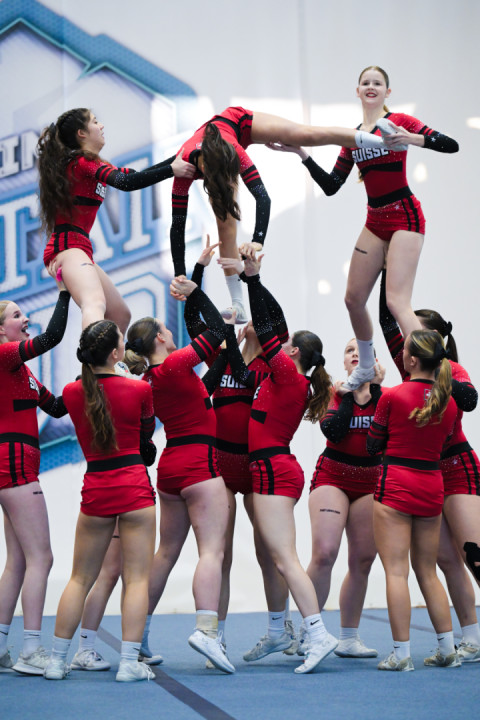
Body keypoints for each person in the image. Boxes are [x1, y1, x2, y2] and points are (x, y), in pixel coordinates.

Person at [267, 66, 459, 391]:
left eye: (377, 83)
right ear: (357, 91)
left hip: (405, 216)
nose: (371, 87)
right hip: (375, 220)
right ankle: (366, 365)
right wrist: (301, 154)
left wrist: (409, 138)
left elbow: (450, 144)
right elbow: (331, 185)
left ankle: (434, 373)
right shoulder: (352, 137)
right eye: (365, 83)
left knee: (397, 302)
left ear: (387, 92)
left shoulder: (399, 122)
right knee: (353, 299)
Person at [219, 253, 337, 674]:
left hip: (272, 470)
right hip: (269, 468)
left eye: (286, 346)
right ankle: (278, 631)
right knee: (270, 553)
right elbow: (266, 332)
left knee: (285, 558)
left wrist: (253, 280)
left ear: (294, 352)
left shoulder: (288, 375)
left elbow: (271, 328)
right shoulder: (279, 377)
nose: (279, 346)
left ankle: (317, 633)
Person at [170, 105, 395, 322]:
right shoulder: (182, 165)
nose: (231, 181)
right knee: (225, 226)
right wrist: (179, 273)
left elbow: (262, 197)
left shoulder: (235, 150)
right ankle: (238, 305)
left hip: (237, 124)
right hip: (211, 153)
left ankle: (381, 140)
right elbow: (177, 224)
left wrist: (258, 241)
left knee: (304, 134)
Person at [184, 243, 297, 666]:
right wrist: (196, 276)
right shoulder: (220, 359)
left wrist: (253, 279)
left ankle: (278, 629)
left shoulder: (271, 365)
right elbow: (194, 320)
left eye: (253, 321)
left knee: (269, 552)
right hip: (220, 465)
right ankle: (216, 638)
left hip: (256, 465)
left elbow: (275, 320)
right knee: (221, 554)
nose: (248, 323)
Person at [123, 277, 235, 674]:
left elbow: (203, 386)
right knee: (212, 552)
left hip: (171, 468)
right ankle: (206, 630)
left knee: (166, 553)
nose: (172, 333)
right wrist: (196, 294)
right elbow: (217, 330)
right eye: (166, 330)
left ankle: (138, 636)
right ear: (158, 338)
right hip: (199, 463)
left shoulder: (152, 379)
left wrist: (222, 353)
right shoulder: (172, 364)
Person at [43, 320, 157, 682]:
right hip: (134, 487)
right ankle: (129, 663)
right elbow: (146, 438)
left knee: (79, 579)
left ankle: (56, 661)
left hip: (97, 488)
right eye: (120, 341)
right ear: (115, 353)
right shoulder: (139, 389)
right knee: (136, 580)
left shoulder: (72, 392)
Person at [379, 270, 480, 662]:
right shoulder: (411, 367)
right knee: (446, 560)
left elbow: (469, 400)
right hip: (428, 472)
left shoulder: (451, 369)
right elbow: (388, 318)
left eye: (415, 331)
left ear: (433, 338)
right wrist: (387, 265)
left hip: (457, 466)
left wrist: (439, 370)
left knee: (473, 554)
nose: (407, 339)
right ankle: (470, 638)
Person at [37, 108, 195, 334]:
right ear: (82, 133)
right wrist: (172, 169)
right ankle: (95, 357)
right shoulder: (81, 163)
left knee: (120, 314)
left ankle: (107, 355)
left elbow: (133, 176)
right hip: (67, 247)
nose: (101, 126)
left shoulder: (93, 164)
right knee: (94, 303)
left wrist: (182, 157)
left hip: (79, 248)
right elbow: (126, 183)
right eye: (95, 122)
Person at [367, 329, 460, 671]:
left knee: (396, 571)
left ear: (413, 360)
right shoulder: (449, 402)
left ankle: (402, 654)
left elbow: (372, 445)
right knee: (428, 572)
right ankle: (447, 649)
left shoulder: (392, 396)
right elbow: (445, 442)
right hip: (431, 486)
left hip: (396, 484)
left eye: (404, 350)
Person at [0, 279, 70, 675]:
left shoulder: (22, 371)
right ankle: (30, 650)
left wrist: (94, 380)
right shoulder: (4, 355)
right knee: (42, 557)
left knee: (18, 561)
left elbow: (57, 407)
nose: (25, 319)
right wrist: (66, 291)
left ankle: (1, 646)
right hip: (13, 463)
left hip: (15, 463)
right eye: (16, 315)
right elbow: (52, 337)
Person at [305, 340, 384, 659]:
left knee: (363, 559)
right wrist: (349, 393)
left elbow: (383, 438)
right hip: (333, 477)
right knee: (325, 553)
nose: (355, 354)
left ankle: (349, 638)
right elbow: (334, 431)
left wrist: (374, 391)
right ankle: (309, 633)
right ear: (344, 362)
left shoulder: (385, 398)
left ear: (374, 362)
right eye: (349, 350)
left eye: (361, 350)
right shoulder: (333, 393)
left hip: (370, 481)